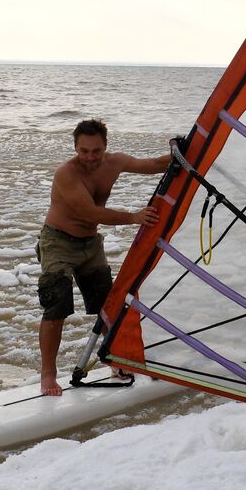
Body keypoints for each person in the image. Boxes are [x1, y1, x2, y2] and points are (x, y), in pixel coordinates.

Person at [36, 119, 169, 396]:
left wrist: (187, 149)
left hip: (90, 245)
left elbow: (156, 165)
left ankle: (118, 361)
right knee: (56, 304)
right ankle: (48, 375)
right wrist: (134, 217)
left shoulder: (115, 162)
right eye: (84, 151)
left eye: (96, 151)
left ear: (105, 146)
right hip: (58, 241)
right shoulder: (66, 173)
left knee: (109, 305)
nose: (90, 157)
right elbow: (90, 213)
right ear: (75, 148)